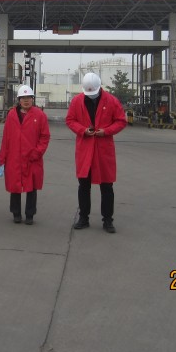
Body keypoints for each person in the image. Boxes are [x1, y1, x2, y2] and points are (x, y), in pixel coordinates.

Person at [65, 72, 127, 233]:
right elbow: (70, 120)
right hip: (85, 148)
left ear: (100, 87)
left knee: (107, 186)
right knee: (83, 185)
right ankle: (83, 218)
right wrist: (83, 130)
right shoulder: (77, 101)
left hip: (103, 149)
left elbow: (121, 121)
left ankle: (108, 220)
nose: (91, 96)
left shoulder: (111, 101)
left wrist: (106, 131)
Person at [0, 84, 50, 225]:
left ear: (32, 99)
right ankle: (16, 213)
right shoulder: (12, 115)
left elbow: (45, 137)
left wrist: (37, 152)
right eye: (23, 98)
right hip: (14, 157)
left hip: (32, 158)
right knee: (15, 186)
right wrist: (2, 158)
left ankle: (30, 214)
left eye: (28, 97)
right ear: (19, 100)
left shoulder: (40, 115)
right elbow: (6, 138)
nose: (26, 100)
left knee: (31, 187)